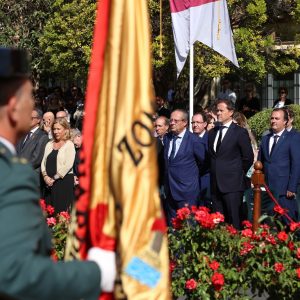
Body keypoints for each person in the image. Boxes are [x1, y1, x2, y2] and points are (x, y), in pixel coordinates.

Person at [0, 47, 115, 300]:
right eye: (30, 98)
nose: (35, 106)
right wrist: (99, 272)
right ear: (12, 106)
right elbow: (16, 274)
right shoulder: (10, 175)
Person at [208, 99, 254, 229]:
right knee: (218, 222)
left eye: (221, 110)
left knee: (234, 221)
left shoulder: (239, 132)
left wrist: (237, 173)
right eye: (217, 110)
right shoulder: (212, 133)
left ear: (231, 112)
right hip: (215, 186)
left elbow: (248, 157)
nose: (218, 113)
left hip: (233, 185)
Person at [163, 109, 206, 226]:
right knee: (173, 226)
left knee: (189, 226)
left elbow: (203, 163)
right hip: (170, 190)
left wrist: (190, 178)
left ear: (185, 123)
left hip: (187, 191)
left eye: (175, 120)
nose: (172, 123)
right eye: (170, 120)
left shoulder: (194, 141)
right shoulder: (167, 138)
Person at [258, 108, 300, 223]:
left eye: (277, 118)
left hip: (284, 191)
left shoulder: (293, 138)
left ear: (285, 121)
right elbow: (260, 162)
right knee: (270, 224)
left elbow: (296, 164)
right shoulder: (266, 138)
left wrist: (292, 187)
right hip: (268, 189)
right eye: (272, 118)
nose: (273, 121)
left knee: (289, 223)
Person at [41, 118, 76, 213]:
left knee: (61, 213)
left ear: (65, 130)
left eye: (58, 129)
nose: (56, 131)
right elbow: (43, 162)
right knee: (49, 211)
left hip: (63, 182)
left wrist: (54, 178)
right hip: (49, 184)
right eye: (54, 129)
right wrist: (45, 177)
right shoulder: (49, 144)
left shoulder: (69, 144)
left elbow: (68, 165)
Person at [16, 108, 49, 195]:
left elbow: (36, 159)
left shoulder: (43, 136)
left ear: (38, 120)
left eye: (31, 118)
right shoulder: (23, 134)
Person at [191, 112, 211, 207]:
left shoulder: (210, 138)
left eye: (198, 122)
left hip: (206, 179)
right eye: (193, 122)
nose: (195, 125)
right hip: (191, 181)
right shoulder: (188, 139)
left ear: (205, 124)